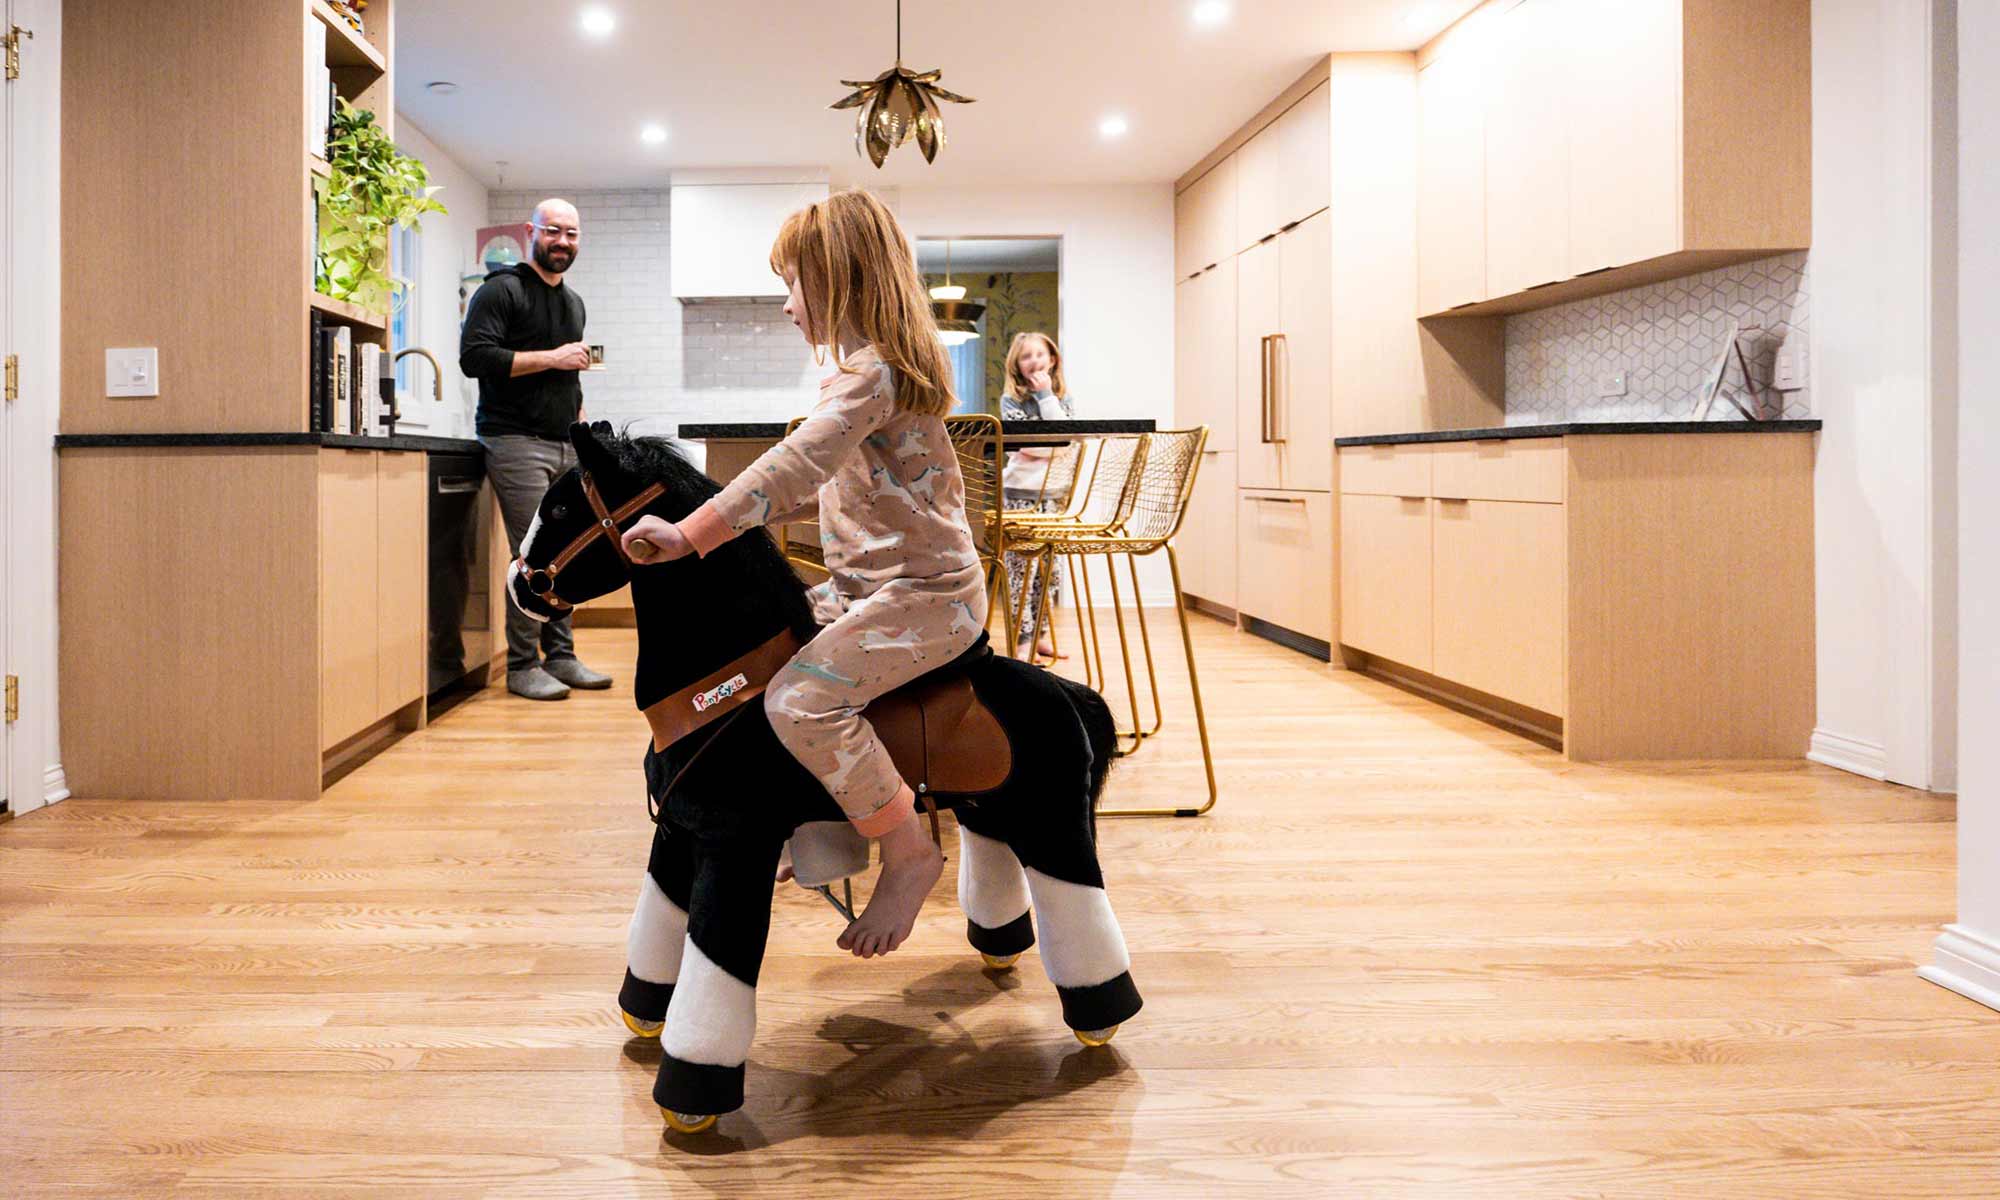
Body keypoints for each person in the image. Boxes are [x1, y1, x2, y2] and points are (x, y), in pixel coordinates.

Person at [619, 189, 985, 959]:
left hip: (929, 599)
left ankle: (909, 851)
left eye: (794, 283)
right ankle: (827, 836)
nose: (787, 304)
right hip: (871, 590)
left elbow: (797, 464)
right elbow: (827, 488)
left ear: (843, 280)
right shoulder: (862, 375)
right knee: (764, 655)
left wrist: (692, 535)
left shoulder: (873, 375)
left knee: (801, 700)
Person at [460, 199, 612, 701]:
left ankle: (562, 656)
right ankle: (523, 665)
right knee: (531, 554)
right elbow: (474, 358)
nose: (563, 242)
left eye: (572, 233)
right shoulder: (500, 290)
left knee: (565, 552)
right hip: (514, 440)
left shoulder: (574, 302)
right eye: (553, 232)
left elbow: (571, 375)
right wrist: (553, 358)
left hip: (564, 441)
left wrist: (582, 427)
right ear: (531, 232)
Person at [999, 332, 1074, 661]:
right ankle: (1021, 640)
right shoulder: (1011, 402)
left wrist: (1046, 397)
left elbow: (1064, 441)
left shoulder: (1062, 399)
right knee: (1021, 572)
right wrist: (1049, 447)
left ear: (1052, 359)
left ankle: (1040, 633)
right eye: (1025, 356)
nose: (1033, 361)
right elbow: (1021, 444)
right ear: (1016, 365)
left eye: (1039, 354)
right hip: (1019, 494)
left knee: (1050, 571)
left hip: (1053, 495)